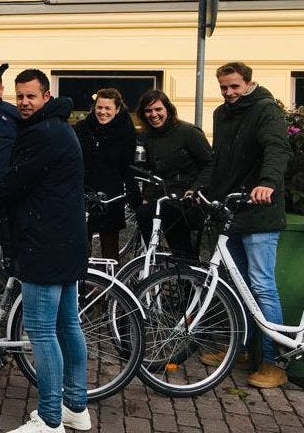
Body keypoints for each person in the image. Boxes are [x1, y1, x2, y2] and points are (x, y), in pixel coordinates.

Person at [0, 69, 89, 433]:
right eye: (19, 96)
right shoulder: (60, 128)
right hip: (65, 240)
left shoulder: (42, 134)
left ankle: (51, 420)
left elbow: (12, 186)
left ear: (46, 97)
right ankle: (76, 408)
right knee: (68, 325)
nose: (23, 102)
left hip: (43, 243)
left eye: (30, 96)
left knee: (41, 330)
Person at [198, 62, 291, 389]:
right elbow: (220, 161)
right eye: (224, 87)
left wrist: (267, 183)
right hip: (233, 211)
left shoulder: (266, 111)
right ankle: (239, 348)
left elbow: (277, 149)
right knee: (235, 286)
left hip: (260, 210)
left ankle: (273, 362)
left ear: (249, 83)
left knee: (262, 285)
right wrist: (203, 191)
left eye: (235, 87)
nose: (229, 93)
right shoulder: (222, 114)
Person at [135, 89, 212, 258]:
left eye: (158, 109)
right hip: (161, 198)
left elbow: (210, 164)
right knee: (142, 214)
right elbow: (148, 170)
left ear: (168, 110)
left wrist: (196, 189)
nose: (153, 114)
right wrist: (146, 195)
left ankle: (188, 279)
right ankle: (156, 267)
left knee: (183, 252)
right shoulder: (146, 137)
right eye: (148, 111)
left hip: (185, 201)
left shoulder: (188, 132)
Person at [74, 88, 138, 263]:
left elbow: (128, 166)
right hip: (84, 192)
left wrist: (133, 193)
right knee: (80, 246)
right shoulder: (83, 128)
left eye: (108, 108)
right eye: (99, 107)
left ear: (117, 110)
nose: (102, 112)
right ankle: (81, 286)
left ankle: (111, 284)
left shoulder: (125, 131)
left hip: (111, 195)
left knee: (110, 248)